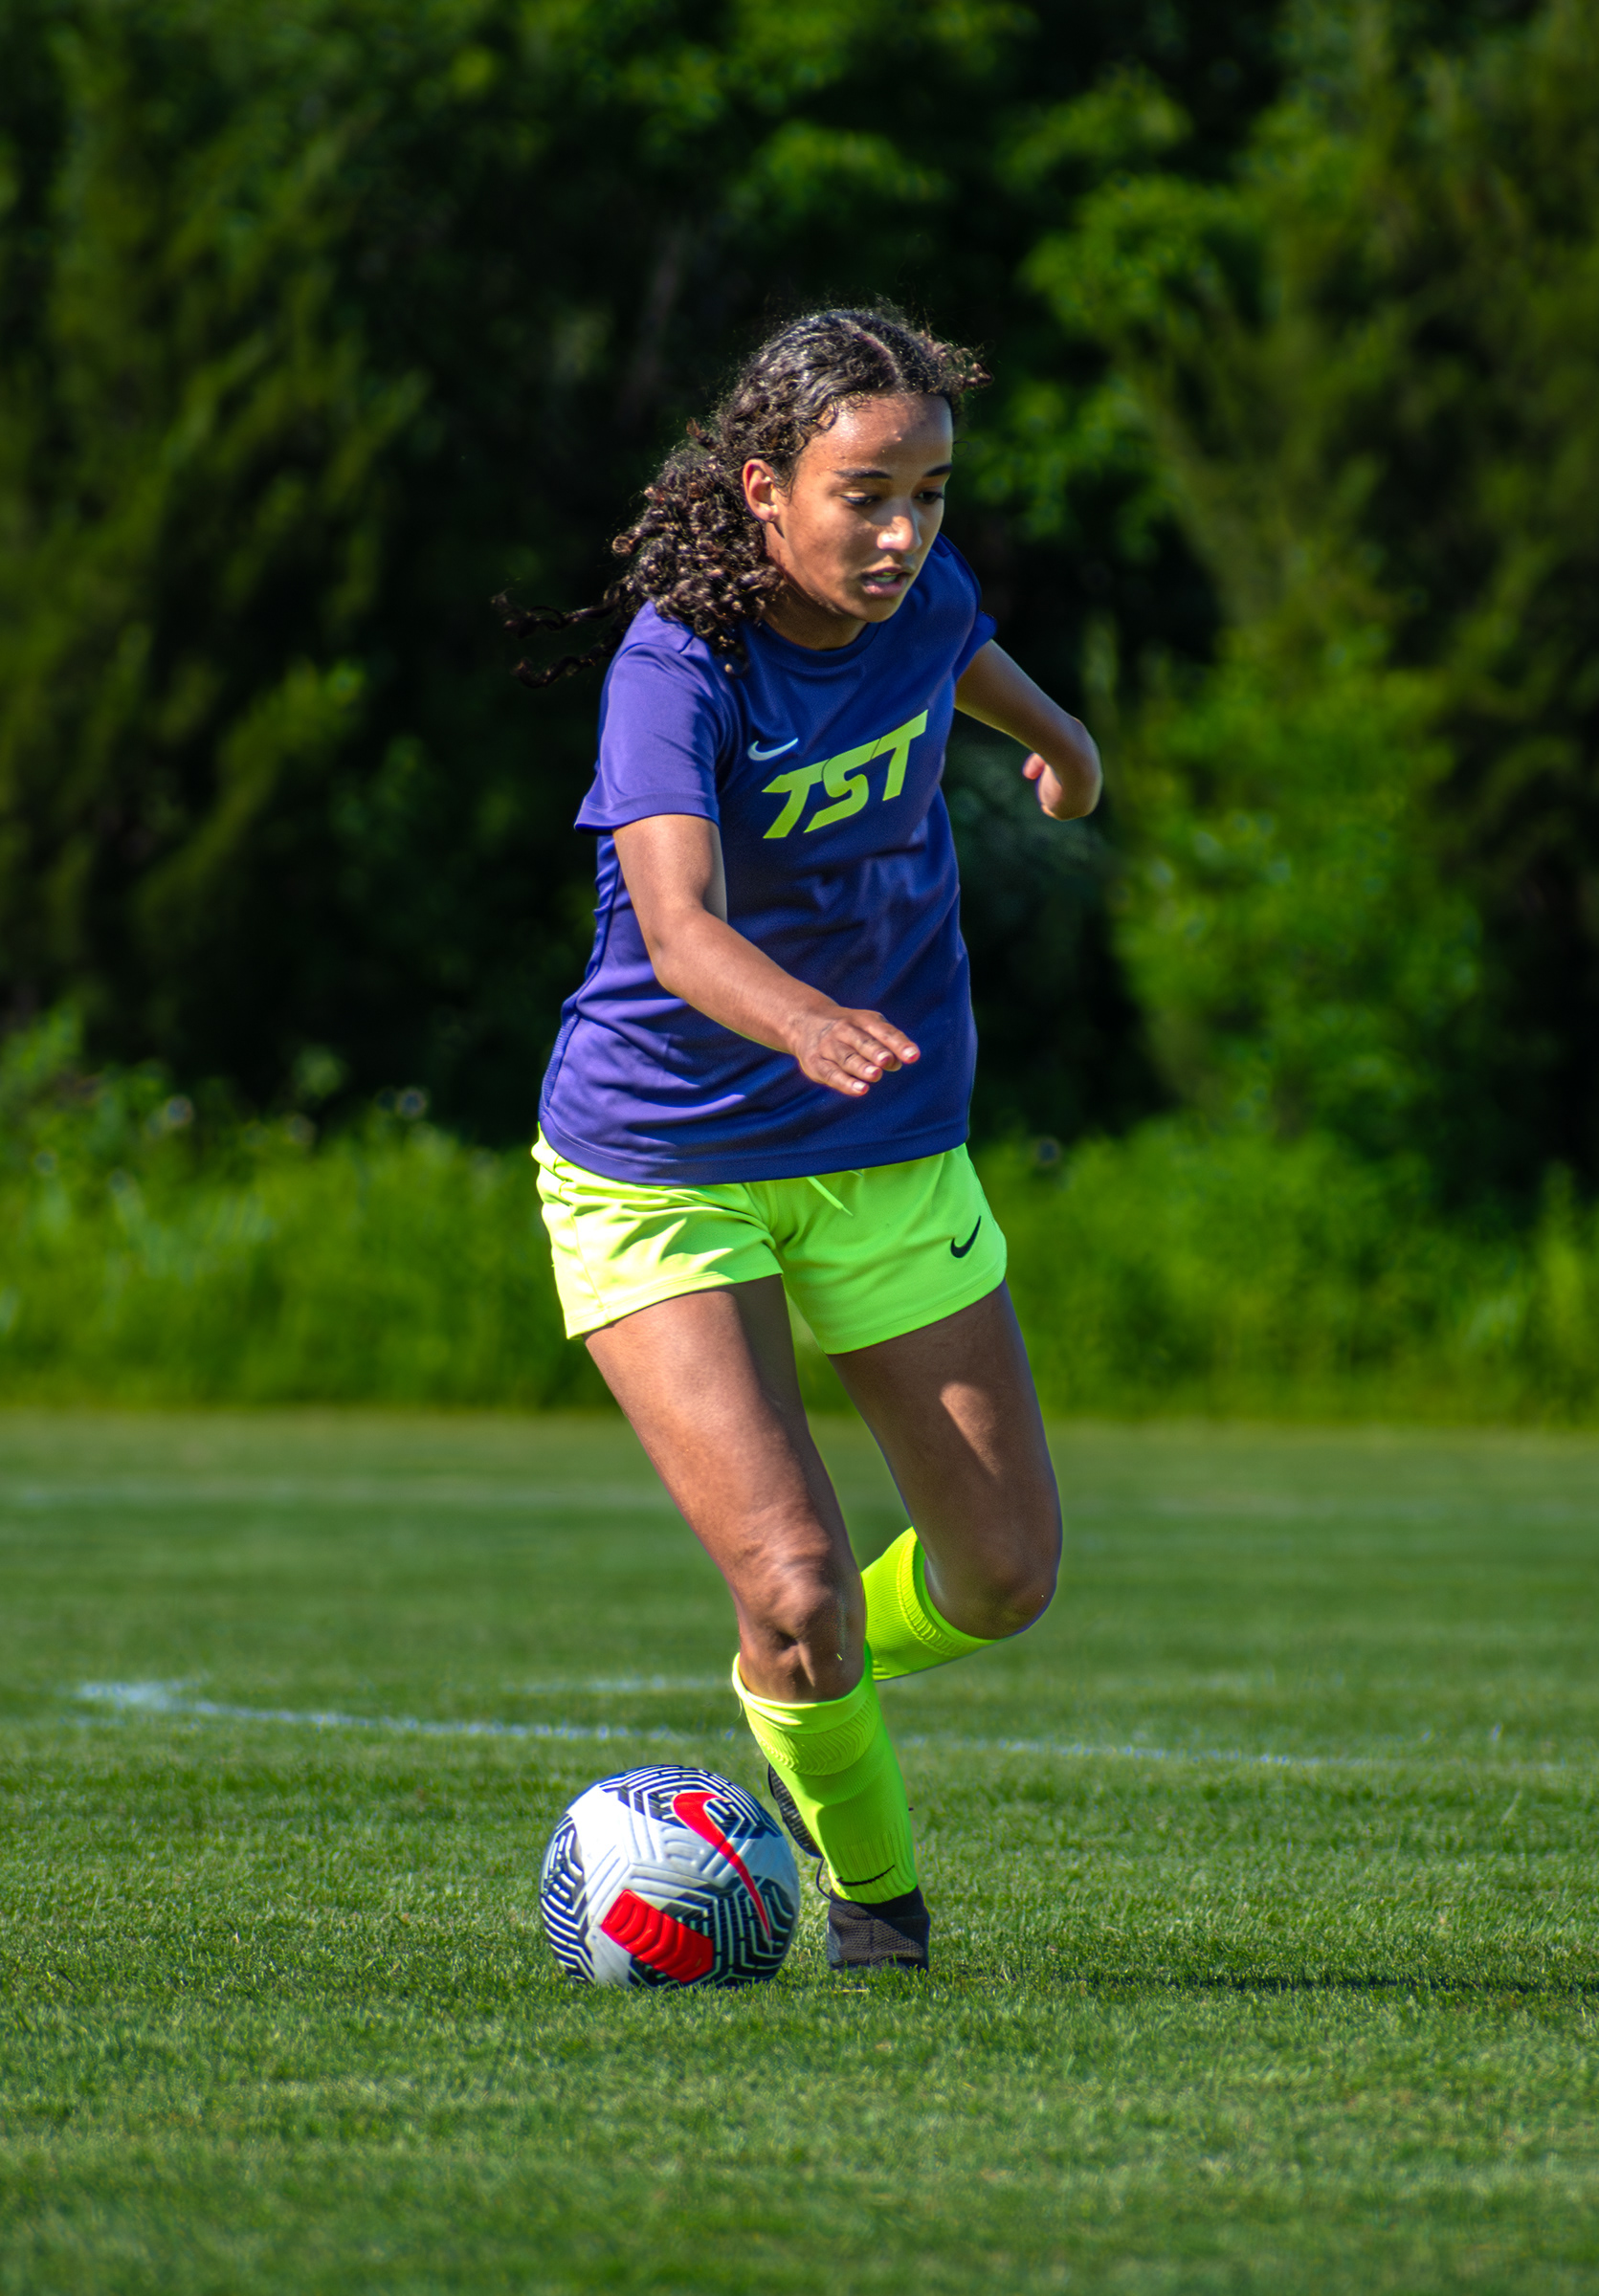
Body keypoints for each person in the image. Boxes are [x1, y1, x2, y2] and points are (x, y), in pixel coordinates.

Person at [506, 306, 1102, 1973]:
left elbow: (961, 654)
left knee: (1004, 1577)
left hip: (886, 1152)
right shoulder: (676, 667)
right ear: (765, 489)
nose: (903, 533)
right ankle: (878, 1910)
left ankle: (801, 1687)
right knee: (796, 1581)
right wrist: (806, 1023)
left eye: (930, 493)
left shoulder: (925, 599)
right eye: (866, 496)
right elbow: (680, 928)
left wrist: (1062, 744)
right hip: (663, 1166)